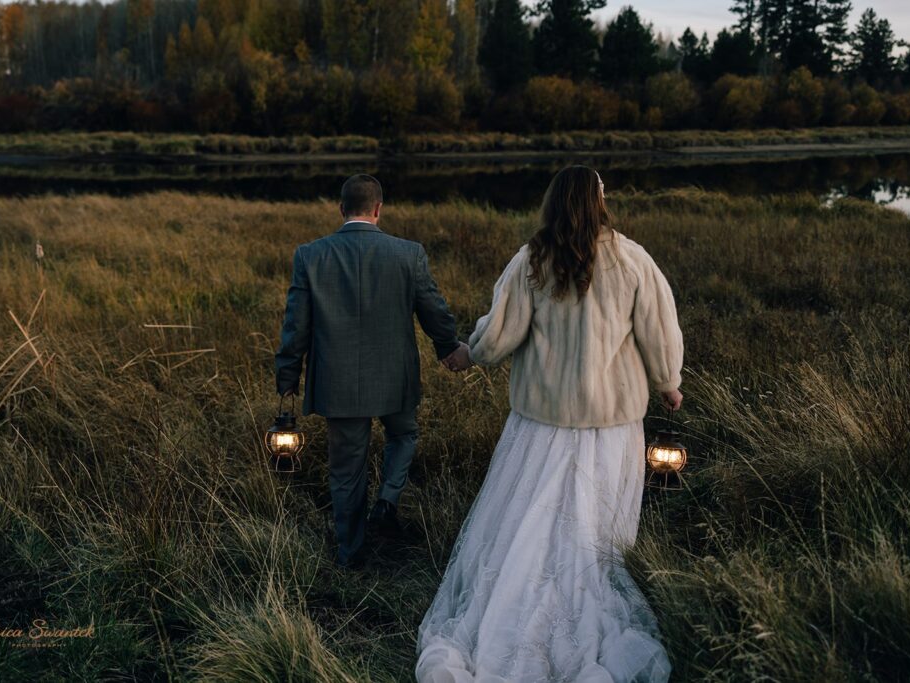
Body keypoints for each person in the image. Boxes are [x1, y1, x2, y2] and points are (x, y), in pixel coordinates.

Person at [417, 165, 682, 682]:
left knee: (531, 512)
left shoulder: (532, 259)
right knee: (595, 518)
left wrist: (471, 353)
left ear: (555, 201)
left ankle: (517, 596)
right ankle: (584, 588)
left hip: (542, 421)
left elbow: (499, 333)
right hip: (611, 423)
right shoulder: (633, 259)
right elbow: (659, 329)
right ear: (600, 202)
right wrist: (668, 381)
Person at [274, 173, 470, 570]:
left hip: (338, 382)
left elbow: (296, 326)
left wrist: (287, 377)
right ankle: (387, 502)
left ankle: (351, 554)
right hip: (394, 377)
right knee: (404, 433)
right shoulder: (408, 253)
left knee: (346, 470)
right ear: (379, 209)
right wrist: (448, 347)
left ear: (341, 209)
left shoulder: (310, 255)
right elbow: (433, 308)